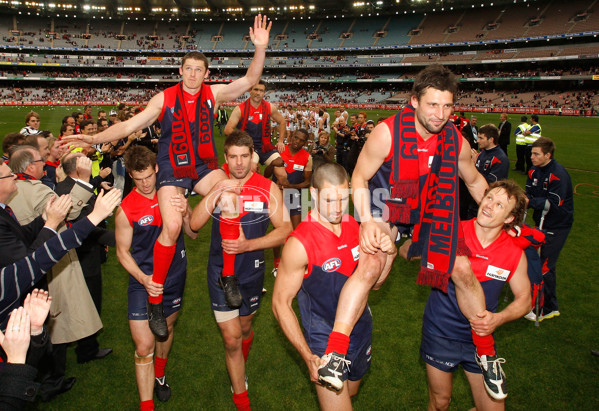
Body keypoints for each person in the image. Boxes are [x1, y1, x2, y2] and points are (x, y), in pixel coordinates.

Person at [63, 14, 273, 339]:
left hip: (202, 165)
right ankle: (156, 299)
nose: (192, 74)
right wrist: (93, 139)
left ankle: (228, 275)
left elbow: (249, 79)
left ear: (206, 74)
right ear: (180, 71)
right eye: (187, 68)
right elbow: (129, 126)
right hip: (173, 167)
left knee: (232, 195)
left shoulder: (212, 94)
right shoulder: (164, 98)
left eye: (198, 70)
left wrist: (260, 47)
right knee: (173, 226)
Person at [318, 65, 503, 399]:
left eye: (448, 106)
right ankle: (335, 353)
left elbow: (474, 181)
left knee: (461, 267)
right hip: (385, 205)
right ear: (414, 100)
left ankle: (486, 352)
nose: (440, 114)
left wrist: (503, 214)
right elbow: (358, 178)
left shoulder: (454, 139)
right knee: (373, 268)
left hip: (429, 210)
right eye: (433, 105)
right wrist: (367, 222)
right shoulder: (387, 133)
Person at [189, 130, 292, 411]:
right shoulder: (218, 184)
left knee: (245, 329)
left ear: (252, 158)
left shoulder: (266, 188)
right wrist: (216, 191)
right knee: (232, 338)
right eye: (233, 157)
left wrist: (249, 245)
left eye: (244, 157)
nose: (238, 163)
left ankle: (241, 361)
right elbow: (195, 225)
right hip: (220, 273)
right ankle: (241, 398)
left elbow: (286, 231)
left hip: (252, 272)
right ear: (225, 157)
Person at [273, 162, 379, 411]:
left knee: (350, 393)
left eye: (344, 199)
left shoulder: (355, 226)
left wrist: (387, 253)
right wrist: (307, 354)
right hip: (322, 339)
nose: (338, 208)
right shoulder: (300, 243)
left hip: (360, 328)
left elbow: (373, 285)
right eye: (330, 200)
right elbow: (280, 304)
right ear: (314, 195)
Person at [422, 180, 531, 408]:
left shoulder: (514, 254)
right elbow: (412, 251)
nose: (489, 206)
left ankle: (487, 355)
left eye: (500, 205)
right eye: (489, 198)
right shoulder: (453, 232)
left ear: (510, 219)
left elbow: (525, 300)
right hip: (441, 331)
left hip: (480, 338)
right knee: (440, 401)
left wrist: (498, 318)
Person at [115, 146, 197, 411]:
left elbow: (193, 234)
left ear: (156, 169)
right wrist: (143, 278)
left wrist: (186, 212)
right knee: (143, 346)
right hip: (143, 283)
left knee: (165, 332)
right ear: (130, 176)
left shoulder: (172, 195)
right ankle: (146, 405)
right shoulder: (126, 209)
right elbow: (122, 252)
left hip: (174, 276)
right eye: (138, 179)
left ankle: (159, 375)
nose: (145, 183)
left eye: (149, 176)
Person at [524, 137, 573, 321]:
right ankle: (537, 299)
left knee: (545, 265)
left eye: (536, 154)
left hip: (557, 224)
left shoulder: (558, 174)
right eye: (531, 153)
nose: (532, 157)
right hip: (541, 222)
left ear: (548, 155)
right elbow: (529, 194)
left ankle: (547, 308)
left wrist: (529, 202)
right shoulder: (533, 171)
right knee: (536, 262)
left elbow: (553, 204)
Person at [271, 129, 312, 276]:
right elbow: (267, 174)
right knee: (278, 230)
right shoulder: (280, 151)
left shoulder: (307, 157)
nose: (297, 142)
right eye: (296, 138)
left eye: (301, 140)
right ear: (291, 136)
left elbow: (307, 182)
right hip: (278, 196)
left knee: (297, 232)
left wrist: (292, 187)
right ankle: (276, 263)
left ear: (305, 142)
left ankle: (293, 262)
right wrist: (272, 164)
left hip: (294, 196)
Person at [224, 80, 287, 176]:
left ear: (264, 92)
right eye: (256, 89)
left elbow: (282, 121)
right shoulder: (240, 109)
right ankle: (254, 185)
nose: (258, 93)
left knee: (281, 171)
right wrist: (244, 140)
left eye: (261, 91)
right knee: (252, 169)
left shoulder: (270, 107)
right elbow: (227, 130)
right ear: (250, 90)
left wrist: (281, 140)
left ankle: (268, 184)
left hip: (266, 146)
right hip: (250, 147)